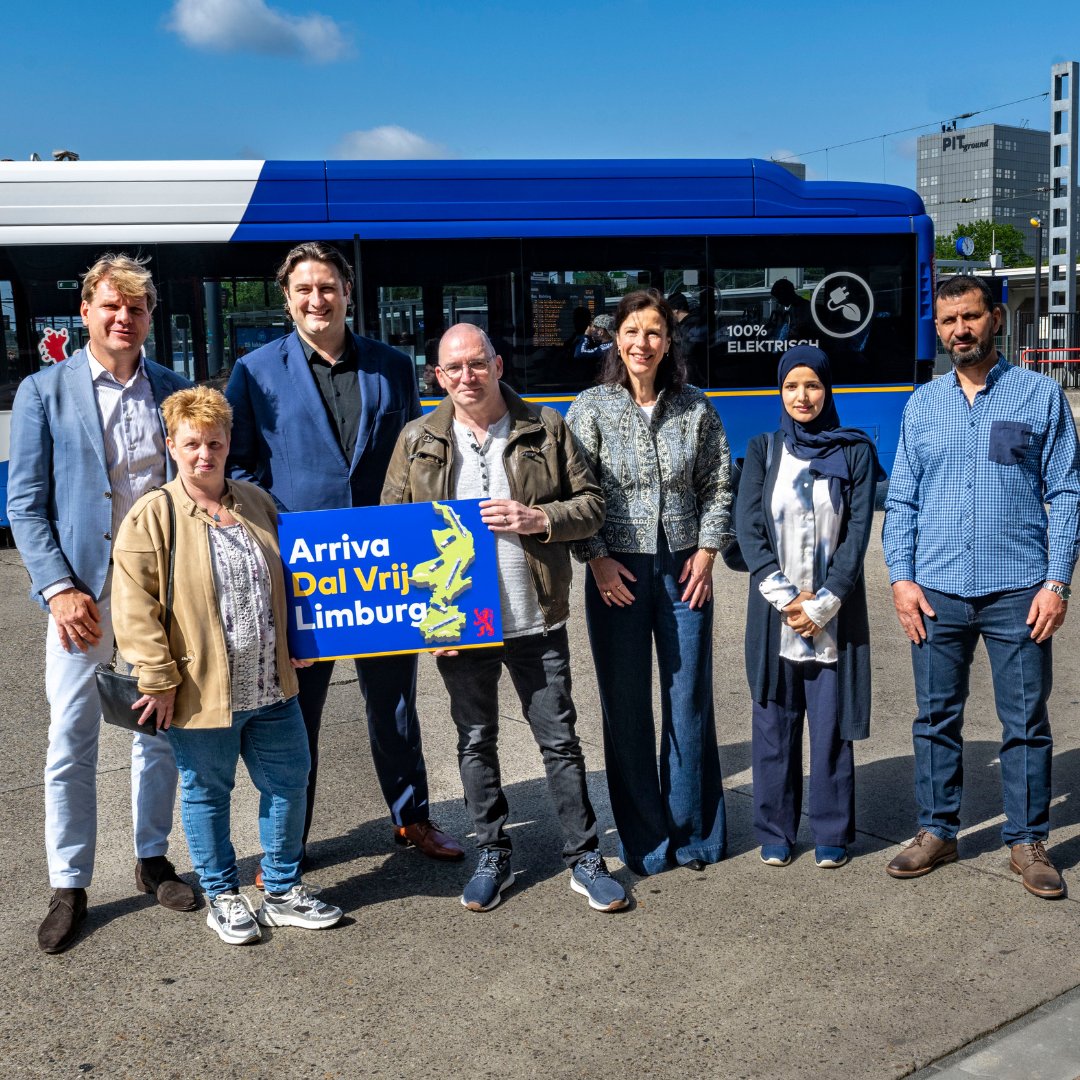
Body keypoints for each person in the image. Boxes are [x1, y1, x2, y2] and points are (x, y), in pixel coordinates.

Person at [225, 242, 464, 876]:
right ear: (287, 299)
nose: (317, 299)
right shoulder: (254, 371)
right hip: (304, 574)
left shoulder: (392, 366)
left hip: (385, 568)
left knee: (395, 703)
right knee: (296, 711)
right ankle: (288, 841)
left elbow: (416, 455)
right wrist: (281, 531)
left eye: (327, 287)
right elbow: (239, 468)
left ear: (347, 293)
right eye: (304, 289)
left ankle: (412, 816)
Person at [382, 324, 624, 912]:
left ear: (497, 364)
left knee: (560, 742)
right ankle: (493, 853)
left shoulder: (545, 426)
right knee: (474, 741)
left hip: (536, 617)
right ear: (439, 377)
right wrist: (426, 623)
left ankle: (584, 856)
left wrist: (539, 519)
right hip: (461, 624)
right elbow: (394, 534)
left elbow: (593, 505)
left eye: (477, 363)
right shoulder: (417, 439)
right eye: (454, 368)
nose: (467, 376)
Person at [7, 253, 195, 954]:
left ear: (149, 318)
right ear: (85, 311)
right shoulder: (44, 391)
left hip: (161, 597)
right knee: (70, 740)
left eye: (136, 308)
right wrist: (58, 589)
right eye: (111, 306)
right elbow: (25, 505)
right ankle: (69, 884)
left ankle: (152, 859)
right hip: (81, 600)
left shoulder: (172, 391)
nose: (123, 318)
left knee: (159, 734)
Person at [111, 386, 342, 944]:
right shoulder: (154, 514)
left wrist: (302, 637)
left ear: (228, 442)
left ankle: (281, 891)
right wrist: (158, 680)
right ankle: (222, 895)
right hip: (201, 691)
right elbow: (135, 608)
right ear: (171, 445)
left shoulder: (256, 502)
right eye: (192, 443)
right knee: (207, 793)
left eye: (214, 443)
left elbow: (297, 576)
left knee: (289, 784)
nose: (204, 455)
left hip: (271, 686)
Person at [882, 275, 1080, 898]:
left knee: (1025, 721)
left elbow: (1066, 492)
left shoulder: (1039, 396)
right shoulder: (923, 404)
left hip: (1019, 591)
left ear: (995, 318)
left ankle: (1027, 840)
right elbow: (903, 499)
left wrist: (1057, 582)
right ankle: (937, 830)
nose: (959, 330)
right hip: (936, 591)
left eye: (969, 317)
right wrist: (900, 578)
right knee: (935, 718)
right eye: (948, 321)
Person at [566, 289, 732, 876]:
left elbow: (719, 483)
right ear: (616, 339)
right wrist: (596, 559)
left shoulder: (695, 407)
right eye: (632, 331)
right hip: (617, 572)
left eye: (654, 332)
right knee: (626, 705)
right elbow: (573, 491)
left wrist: (708, 552)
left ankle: (694, 834)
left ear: (668, 342)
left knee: (689, 700)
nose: (643, 343)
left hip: (685, 568)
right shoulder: (590, 408)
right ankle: (645, 840)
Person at [735, 346, 882, 869]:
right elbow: (748, 528)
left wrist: (822, 603)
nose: (802, 396)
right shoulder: (763, 449)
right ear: (780, 391)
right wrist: (787, 597)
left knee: (831, 727)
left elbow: (858, 533)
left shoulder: (855, 452)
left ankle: (832, 831)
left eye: (813, 385)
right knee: (773, 726)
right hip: (775, 613)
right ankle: (774, 829)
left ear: (827, 390)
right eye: (792, 386)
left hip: (833, 616)